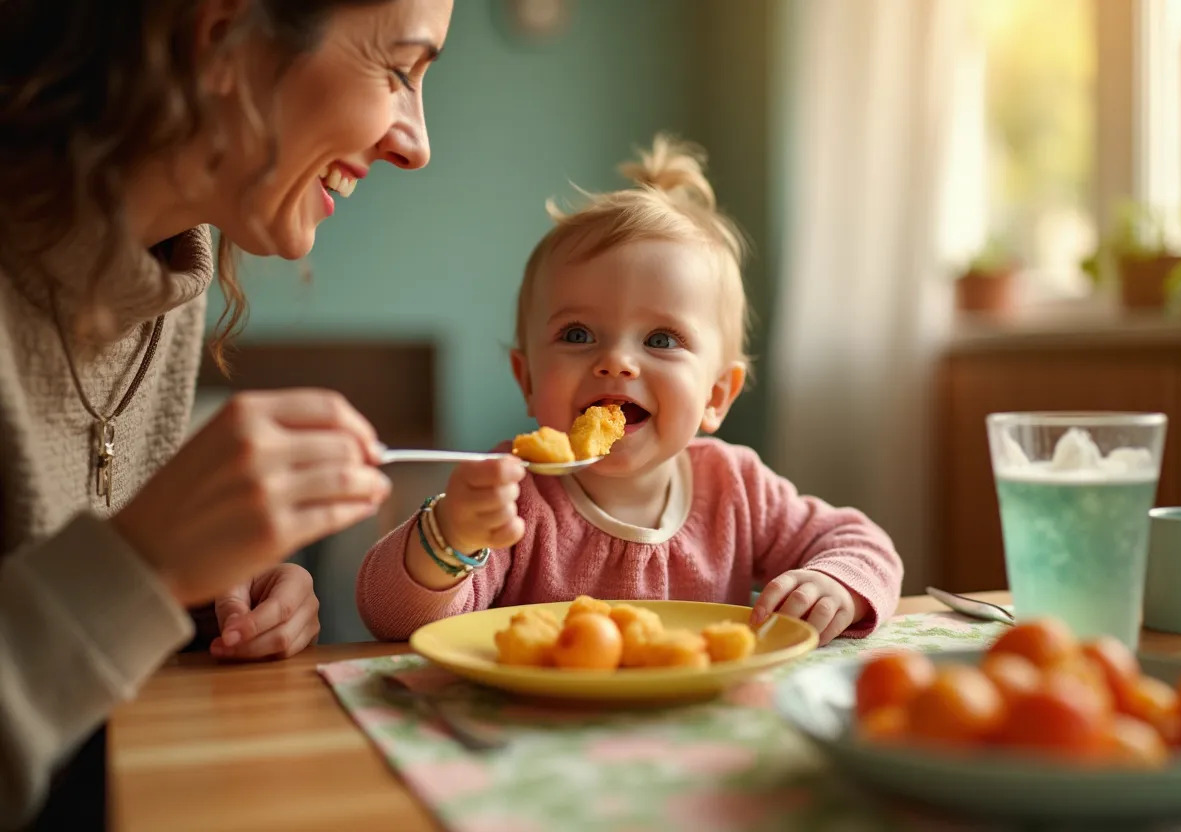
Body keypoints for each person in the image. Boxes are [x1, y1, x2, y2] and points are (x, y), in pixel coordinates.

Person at [0, 0, 453, 827]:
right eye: (398, 71)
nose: (416, 144)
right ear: (225, 35)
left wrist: (199, 602)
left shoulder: (174, 273)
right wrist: (140, 566)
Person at [356, 135, 903, 645]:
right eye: (577, 334)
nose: (616, 362)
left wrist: (835, 584)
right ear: (525, 379)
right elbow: (394, 620)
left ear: (716, 395)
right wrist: (451, 533)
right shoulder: (510, 497)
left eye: (661, 339)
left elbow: (864, 545)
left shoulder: (736, 490)